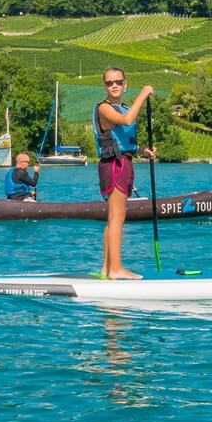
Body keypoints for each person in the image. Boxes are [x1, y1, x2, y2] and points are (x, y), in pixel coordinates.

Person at [94, 66, 156, 279]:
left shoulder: (123, 107)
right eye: (110, 83)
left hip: (123, 162)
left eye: (118, 82)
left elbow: (122, 139)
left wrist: (142, 151)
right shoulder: (104, 108)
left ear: (124, 84)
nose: (114, 86)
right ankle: (116, 269)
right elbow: (127, 120)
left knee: (114, 217)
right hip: (114, 165)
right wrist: (143, 93)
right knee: (118, 216)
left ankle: (107, 268)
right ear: (104, 86)